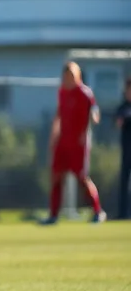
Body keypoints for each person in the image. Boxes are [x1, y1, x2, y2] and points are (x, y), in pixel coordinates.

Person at [42, 62, 105, 225]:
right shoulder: (62, 92)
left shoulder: (85, 93)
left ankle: (98, 211)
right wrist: (53, 137)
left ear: (77, 76)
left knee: (82, 178)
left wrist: (94, 117)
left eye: (70, 76)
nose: (67, 79)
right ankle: (53, 215)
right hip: (63, 142)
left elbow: (94, 110)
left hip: (79, 143)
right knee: (56, 177)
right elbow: (59, 116)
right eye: (65, 76)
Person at [116, 78, 131, 220]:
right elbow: (118, 122)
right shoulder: (123, 107)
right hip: (127, 151)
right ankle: (123, 213)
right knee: (124, 183)